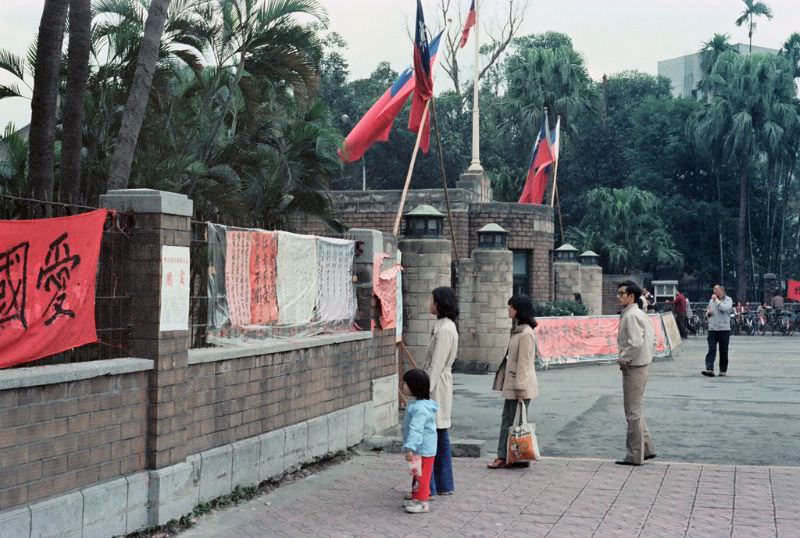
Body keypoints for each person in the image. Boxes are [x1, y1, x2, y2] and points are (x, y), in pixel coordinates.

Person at [487, 294, 539, 469]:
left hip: (519, 386)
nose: (509, 310)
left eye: (511, 307)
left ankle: (503, 456)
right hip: (515, 384)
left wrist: (520, 389)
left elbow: (524, 363)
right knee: (512, 421)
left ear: (519, 310)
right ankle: (515, 456)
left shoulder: (525, 334)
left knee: (511, 421)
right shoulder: (520, 330)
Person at [615, 280, 656, 466]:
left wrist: (623, 358)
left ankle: (634, 454)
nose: (619, 296)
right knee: (636, 409)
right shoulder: (637, 313)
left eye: (621, 293)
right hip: (641, 363)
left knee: (632, 411)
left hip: (635, 365)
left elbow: (635, 343)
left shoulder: (631, 315)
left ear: (631, 296)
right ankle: (645, 448)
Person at [423, 287, 458, 496]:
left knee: (433, 434)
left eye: (432, 300)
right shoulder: (444, 326)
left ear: (440, 303)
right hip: (440, 383)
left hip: (437, 385)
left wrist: (425, 390)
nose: (430, 304)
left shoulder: (445, 329)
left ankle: (432, 485)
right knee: (439, 432)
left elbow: (436, 364)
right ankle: (442, 483)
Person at [401, 369, 438, 514]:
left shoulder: (420, 409)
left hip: (422, 449)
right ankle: (417, 498)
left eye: (405, 383)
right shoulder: (419, 405)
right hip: (419, 448)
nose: (403, 386)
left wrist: (410, 447)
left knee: (422, 476)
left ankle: (422, 502)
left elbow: (416, 429)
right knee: (417, 473)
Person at [702, 284, 733, 377]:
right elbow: (708, 311)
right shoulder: (711, 301)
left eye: (716, 290)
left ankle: (723, 370)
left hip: (724, 329)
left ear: (722, 291)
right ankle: (709, 369)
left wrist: (717, 301)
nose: (714, 293)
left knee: (723, 351)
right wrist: (708, 314)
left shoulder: (728, 300)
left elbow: (725, 309)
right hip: (712, 328)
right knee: (711, 349)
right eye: (714, 291)